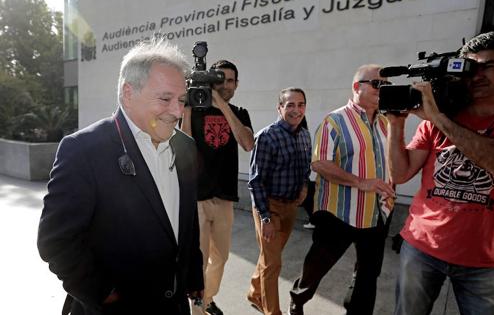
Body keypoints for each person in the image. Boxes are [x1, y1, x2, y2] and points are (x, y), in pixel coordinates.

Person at [387, 30, 494, 315]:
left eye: (489, 65)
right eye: (471, 67)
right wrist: (396, 124)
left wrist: (438, 118)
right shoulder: (438, 119)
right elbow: (401, 175)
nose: (477, 75)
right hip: (420, 247)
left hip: (482, 259)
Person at [37, 38, 204, 315]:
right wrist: (105, 295)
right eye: (165, 98)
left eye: (181, 100)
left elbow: (187, 224)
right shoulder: (83, 150)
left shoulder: (186, 147)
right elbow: (55, 241)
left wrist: (194, 275)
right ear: (129, 93)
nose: (177, 111)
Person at [289, 65, 396, 315]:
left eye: (386, 85)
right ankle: (298, 297)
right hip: (340, 213)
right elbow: (319, 163)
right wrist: (361, 182)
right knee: (317, 266)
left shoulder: (386, 123)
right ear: (357, 87)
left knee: (368, 275)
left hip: (377, 213)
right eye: (377, 84)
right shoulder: (334, 121)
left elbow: (391, 162)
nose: (383, 89)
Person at [182, 60, 254, 315]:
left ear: (236, 85)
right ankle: (198, 309)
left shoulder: (239, 112)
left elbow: (247, 143)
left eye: (230, 80)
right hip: (197, 198)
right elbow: (184, 146)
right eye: (220, 79)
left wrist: (221, 105)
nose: (225, 84)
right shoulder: (193, 110)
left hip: (223, 196)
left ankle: (208, 297)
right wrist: (189, 108)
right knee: (198, 260)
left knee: (220, 258)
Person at [247, 87, 312, 315]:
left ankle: (255, 292)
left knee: (270, 257)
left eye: (301, 104)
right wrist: (265, 217)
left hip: (290, 206)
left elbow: (306, 166)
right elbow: (255, 181)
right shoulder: (267, 137)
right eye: (290, 105)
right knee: (273, 264)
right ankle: (272, 312)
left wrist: (304, 185)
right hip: (270, 207)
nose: (296, 110)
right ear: (280, 108)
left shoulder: (304, 133)